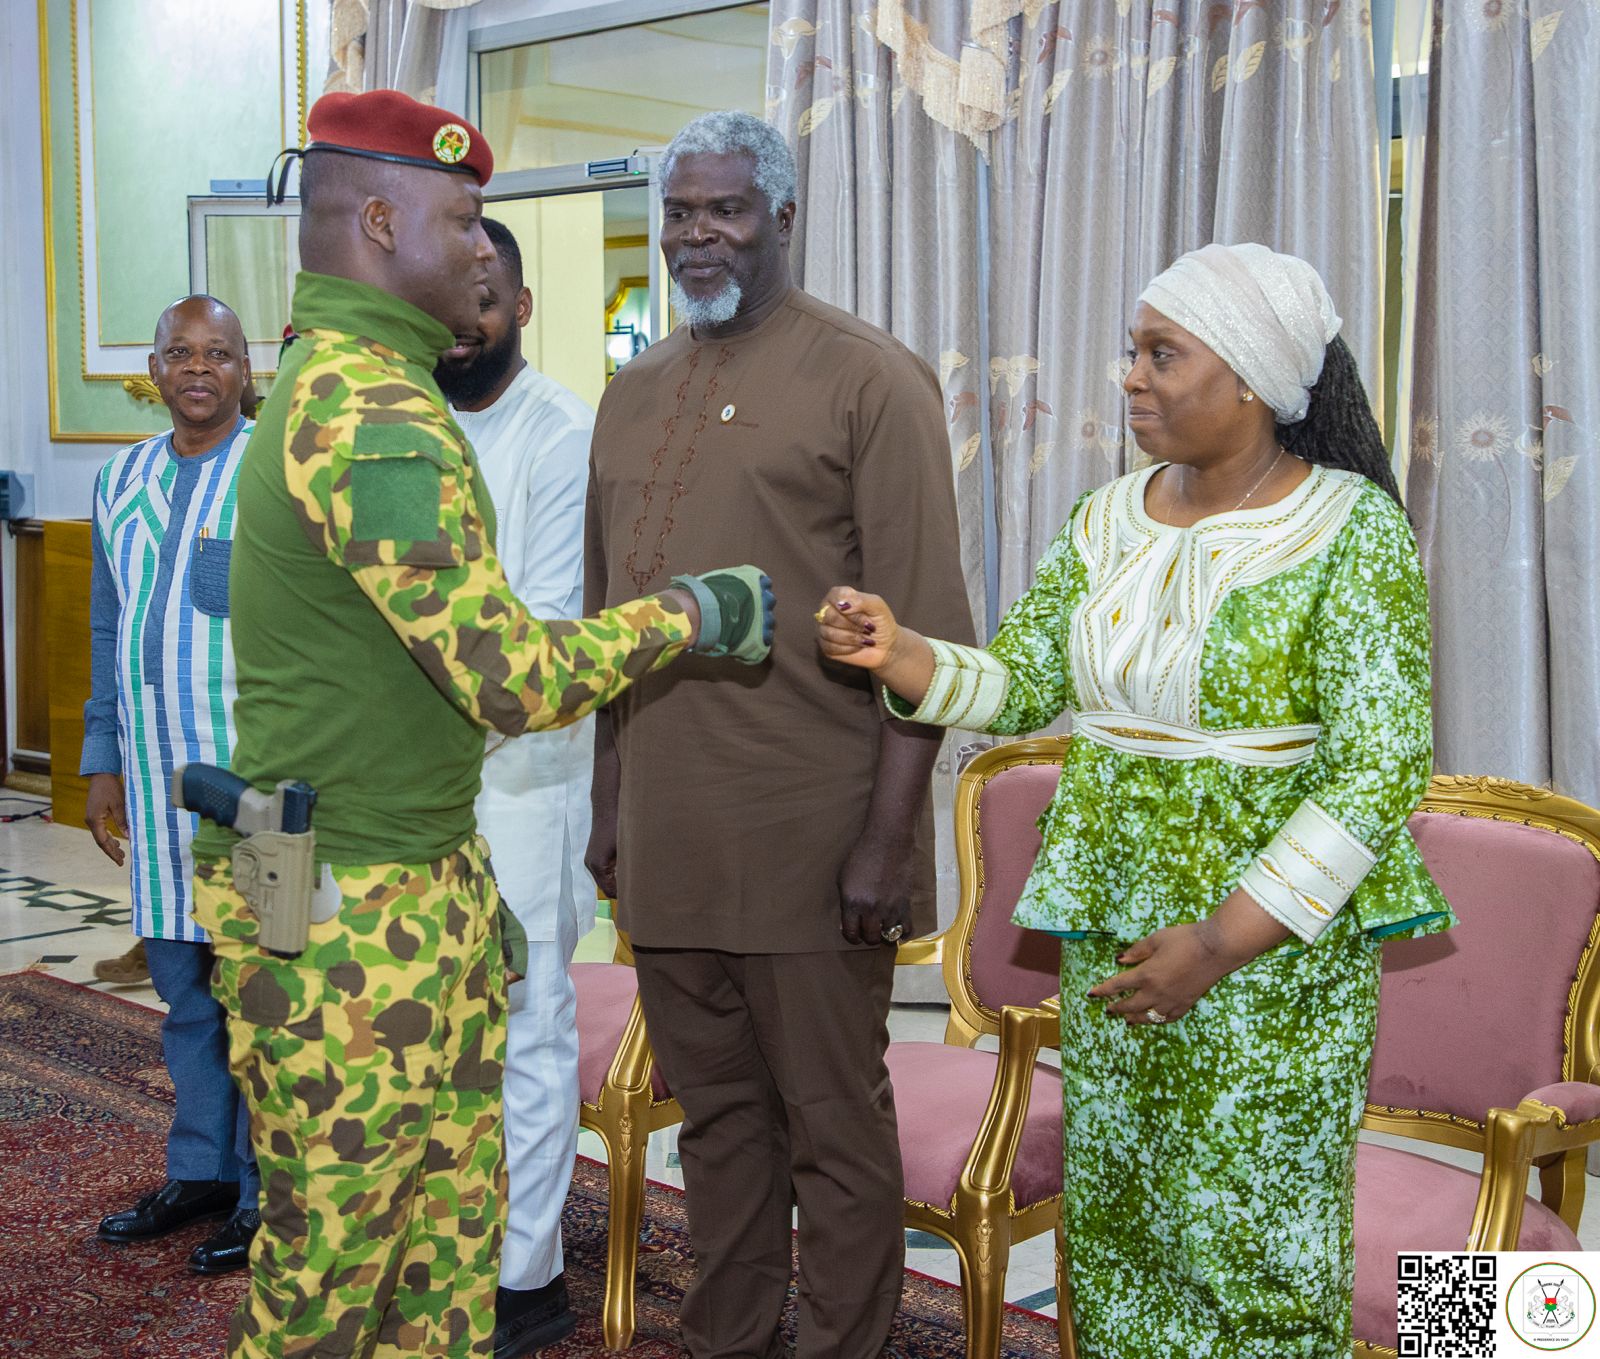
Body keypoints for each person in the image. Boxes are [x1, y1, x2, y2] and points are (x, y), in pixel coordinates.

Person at [186, 90, 771, 1359]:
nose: (478, 251)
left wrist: (465, 887)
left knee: (441, 1267)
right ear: (382, 221)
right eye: (462, 221)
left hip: (412, 882)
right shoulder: (374, 412)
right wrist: (688, 613)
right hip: (352, 918)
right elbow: (506, 676)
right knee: (334, 1284)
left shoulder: (363, 385)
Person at [816, 242, 1455, 1358]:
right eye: (1131, 352)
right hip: (1113, 927)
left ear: (1250, 381)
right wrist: (903, 652)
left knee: (1248, 1242)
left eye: (1163, 355)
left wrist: (1216, 941)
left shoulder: (1352, 532)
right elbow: (1021, 685)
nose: (1131, 377)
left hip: (1271, 956)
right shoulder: (1105, 517)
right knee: (1120, 1224)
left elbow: (1377, 766)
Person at [585, 110, 974, 1359]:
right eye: (681, 212)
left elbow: (932, 643)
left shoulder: (870, 379)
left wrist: (886, 848)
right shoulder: (632, 391)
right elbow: (607, 630)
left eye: (727, 211)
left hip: (813, 842)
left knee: (832, 1129)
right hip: (667, 837)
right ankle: (728, 1337)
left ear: (785, 221)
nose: (698, 236)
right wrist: (609, 811)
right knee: (716, 1123)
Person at [434, 217, 592, 1357]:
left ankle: (526, 1277)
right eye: (452, 297)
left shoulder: (561, 434)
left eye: (486, 299)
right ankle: (449, 1245)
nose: (464, 320)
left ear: (522, 310)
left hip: (525, 782)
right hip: (417, 786)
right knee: (437, 1036)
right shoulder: (404, 426)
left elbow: (531, 635)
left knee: (528, 1028)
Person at [83, 295, 261, 1274]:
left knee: (262, 992)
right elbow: (109, 631)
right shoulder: (118, 482)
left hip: (259, 784)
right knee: (185, 987)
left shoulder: (277, 479)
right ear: (153, 366)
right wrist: (99, 757)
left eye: (219, 354)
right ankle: (202, 1169)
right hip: (153, 779)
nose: (199, 368)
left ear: (247, 369)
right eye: (181, 353)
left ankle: (268, 1189)